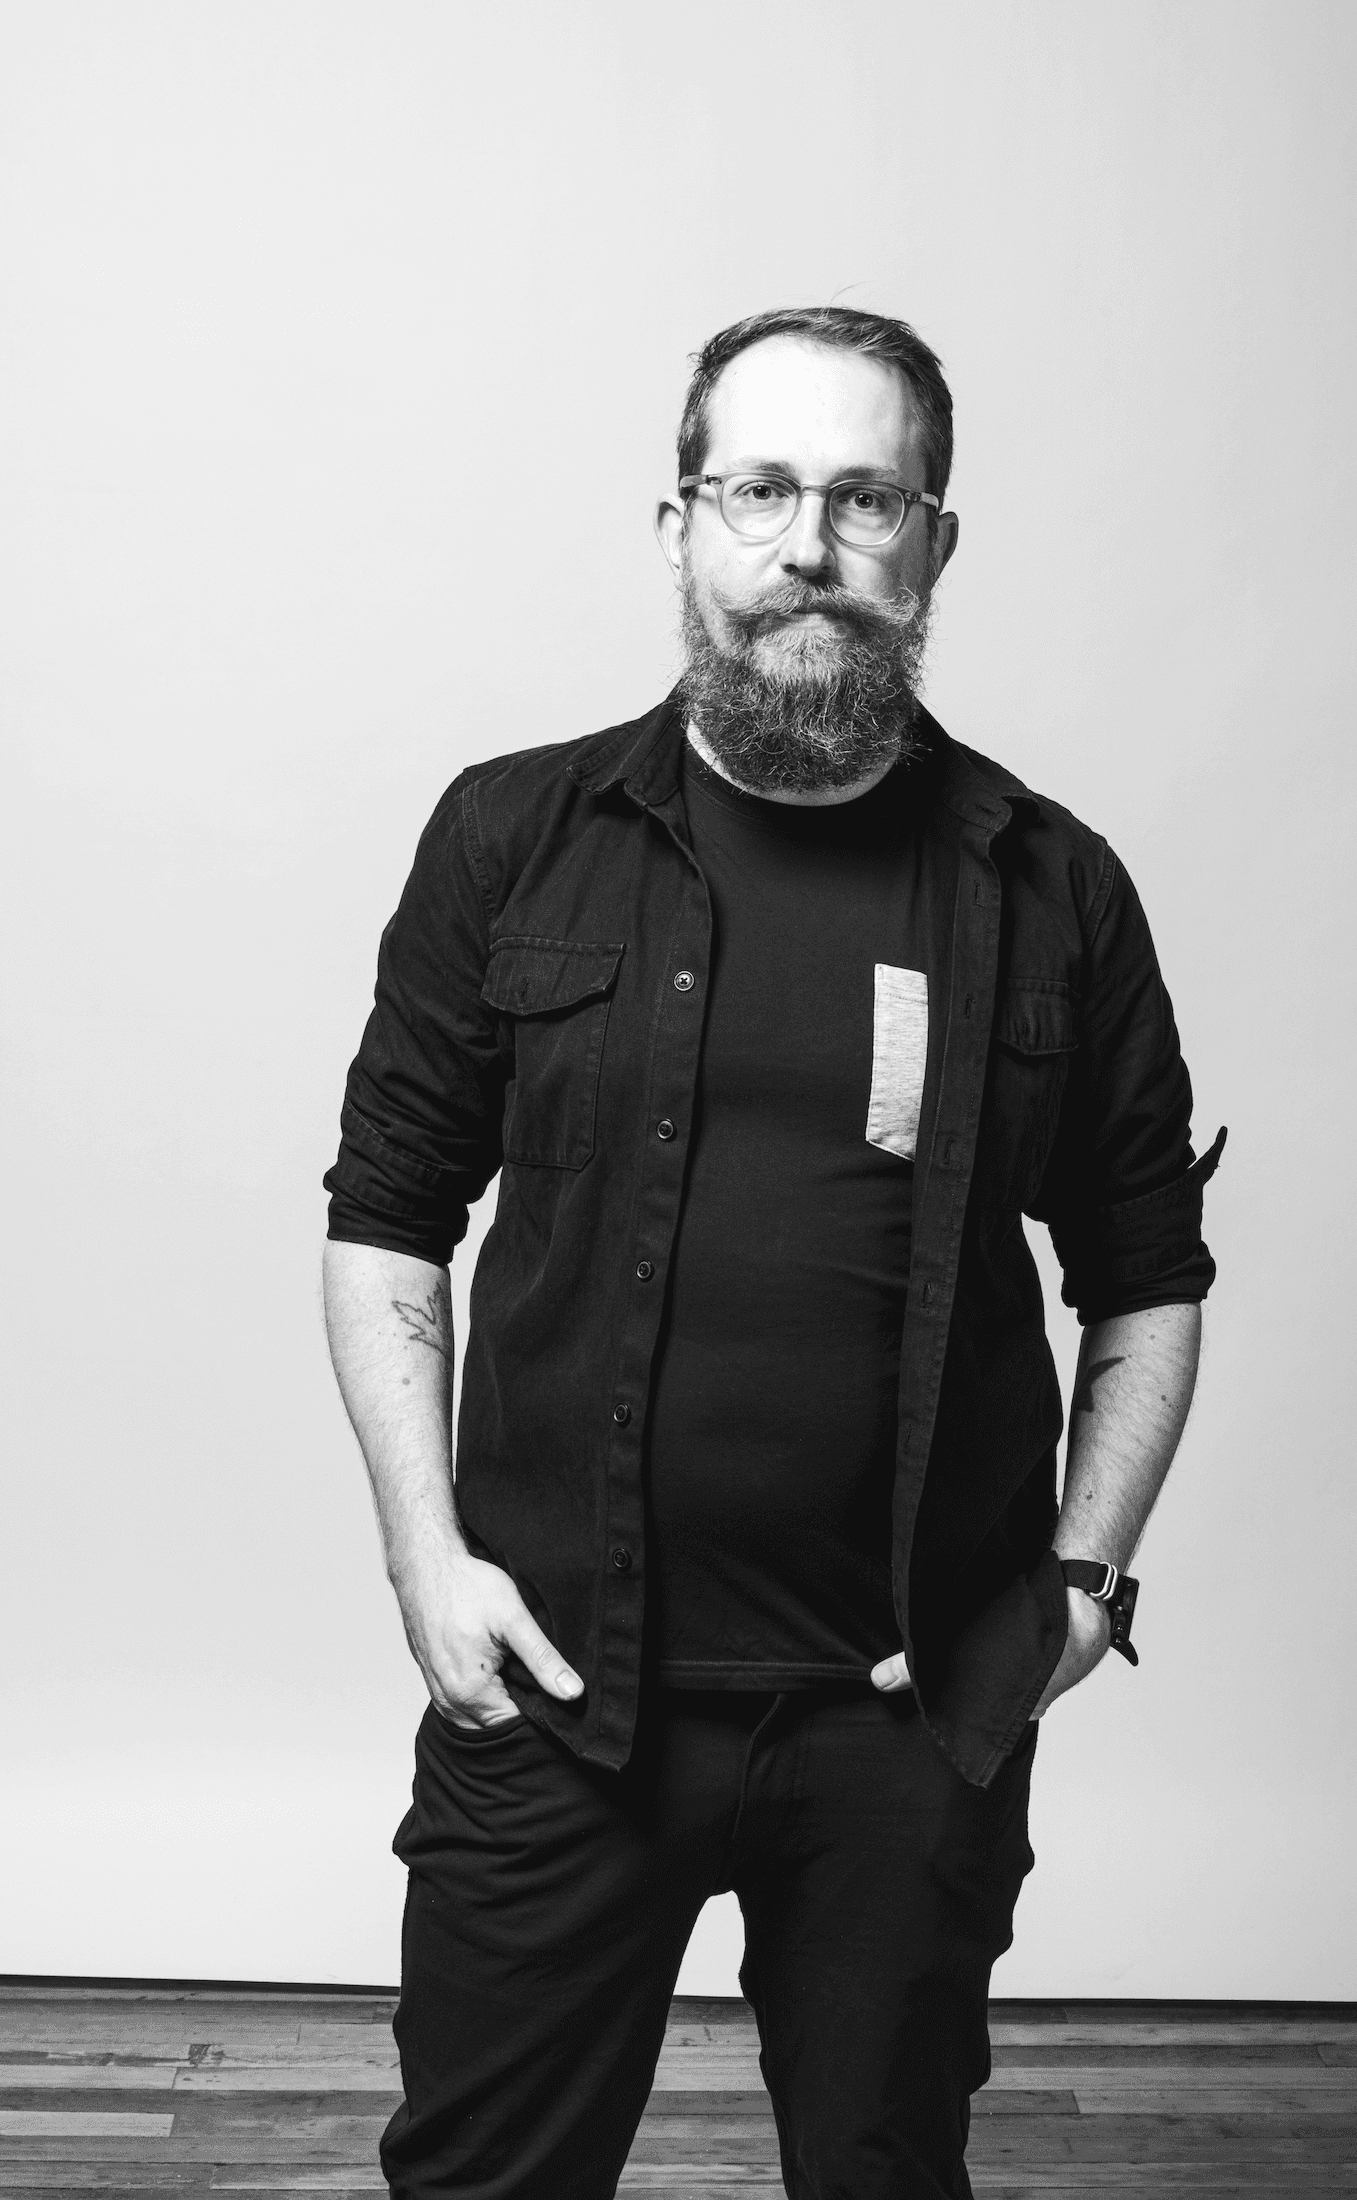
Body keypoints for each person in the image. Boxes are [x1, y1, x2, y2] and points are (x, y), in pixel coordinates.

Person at [322, 304, 1223, 2200]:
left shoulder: (1052, 886)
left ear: (934, 542)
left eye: (864, 495)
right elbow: (388, 1216)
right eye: (760, 489)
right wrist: (427, 1555)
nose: (808, 545)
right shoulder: (513, 839)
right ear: (679, 523)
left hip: (909, 1716)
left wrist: (1079, 1582)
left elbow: (1147, 1268)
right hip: (559, 1693)